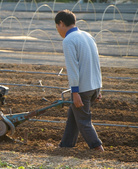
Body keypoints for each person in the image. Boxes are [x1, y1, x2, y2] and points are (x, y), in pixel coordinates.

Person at [54, 10, 104, 152]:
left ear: (61, 23)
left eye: (57, 26)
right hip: (94, 86)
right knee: (74, 116)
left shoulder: (69, 40)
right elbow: (96, 63)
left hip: (83, 89)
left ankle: (97, 148)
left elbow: (72, 69)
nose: (58, 30)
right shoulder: (88, 36)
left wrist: (75, 92)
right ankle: (66, 145)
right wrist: (98, 88)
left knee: (83, 121)